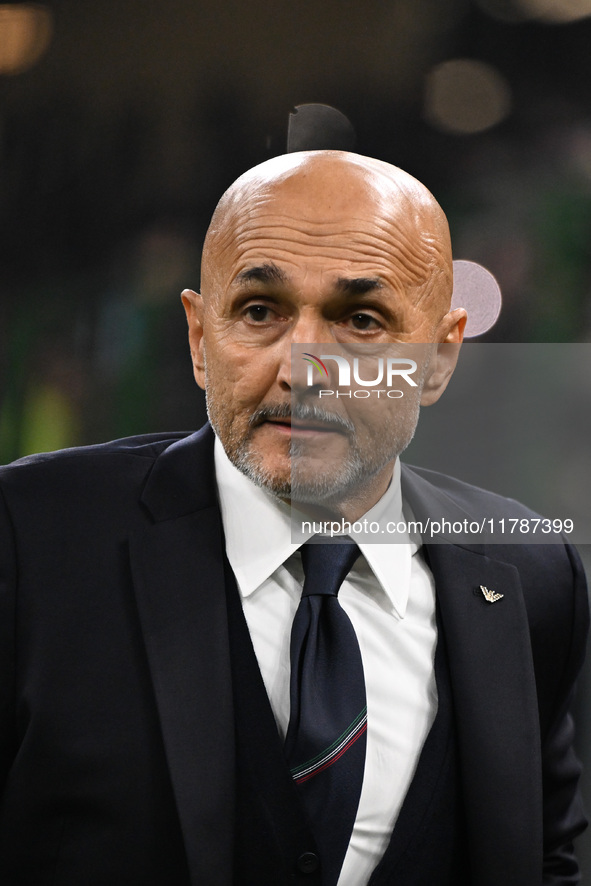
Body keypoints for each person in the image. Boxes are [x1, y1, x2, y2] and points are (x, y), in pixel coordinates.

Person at [0, 150, 587, 886]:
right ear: (197, 338)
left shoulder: (531, 578)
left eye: (362, 320)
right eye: (258, 312)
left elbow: (542, 859)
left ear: (439, 357)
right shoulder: (29, 540)